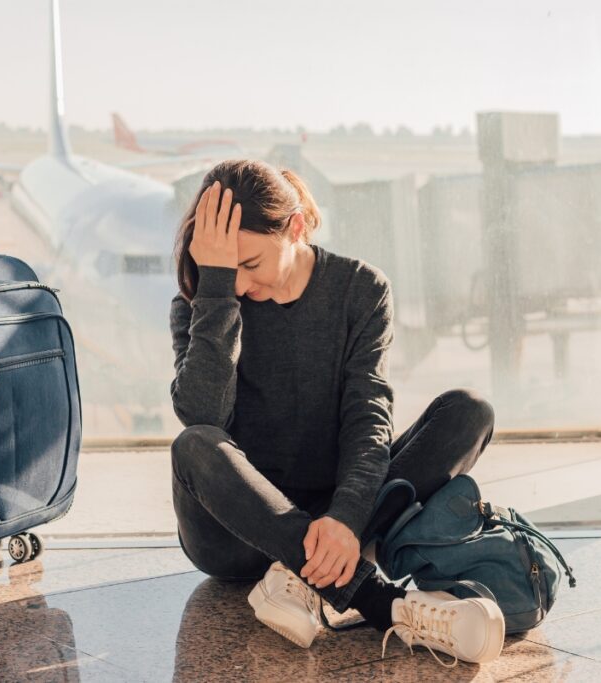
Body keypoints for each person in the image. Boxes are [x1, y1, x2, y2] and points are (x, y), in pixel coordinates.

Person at [168, 160, 505, 666]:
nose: (237, 283)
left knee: (469, 411)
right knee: (193, 445)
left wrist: (345, 518)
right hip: (236, 535)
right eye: (224, 267)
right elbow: (202, 414)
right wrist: (213, 292)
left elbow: (368, 417)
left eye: (249, 264)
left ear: (295, 227)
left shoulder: (360, 290)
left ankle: (300, 572)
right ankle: (379, 602)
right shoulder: (207, 300)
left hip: (340, 524)